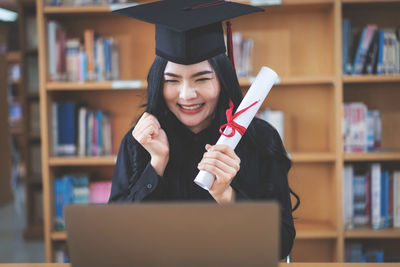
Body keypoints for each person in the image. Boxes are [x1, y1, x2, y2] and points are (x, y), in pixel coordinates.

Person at [109, 0, 298, 259]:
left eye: (202, 78)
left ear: (222, 79)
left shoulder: (260, 138)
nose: (187, 95)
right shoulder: (139, 142)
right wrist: (155, 166)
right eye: (172, 80)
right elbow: (115, 239)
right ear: (157, 84)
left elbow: (280, 246)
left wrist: (227, 195)